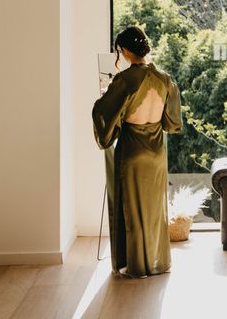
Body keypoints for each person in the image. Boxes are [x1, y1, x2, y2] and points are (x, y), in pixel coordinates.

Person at [92, 26, 182, 278]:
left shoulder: (124, 80)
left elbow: (104, 114)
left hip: (132, 151)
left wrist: (103, 97)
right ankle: (157, 262)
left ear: (125, 51)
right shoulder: (165, 79)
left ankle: (136, 265)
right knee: (154, 210)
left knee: (131, 210)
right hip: (156, 152)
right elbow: (172, 122)